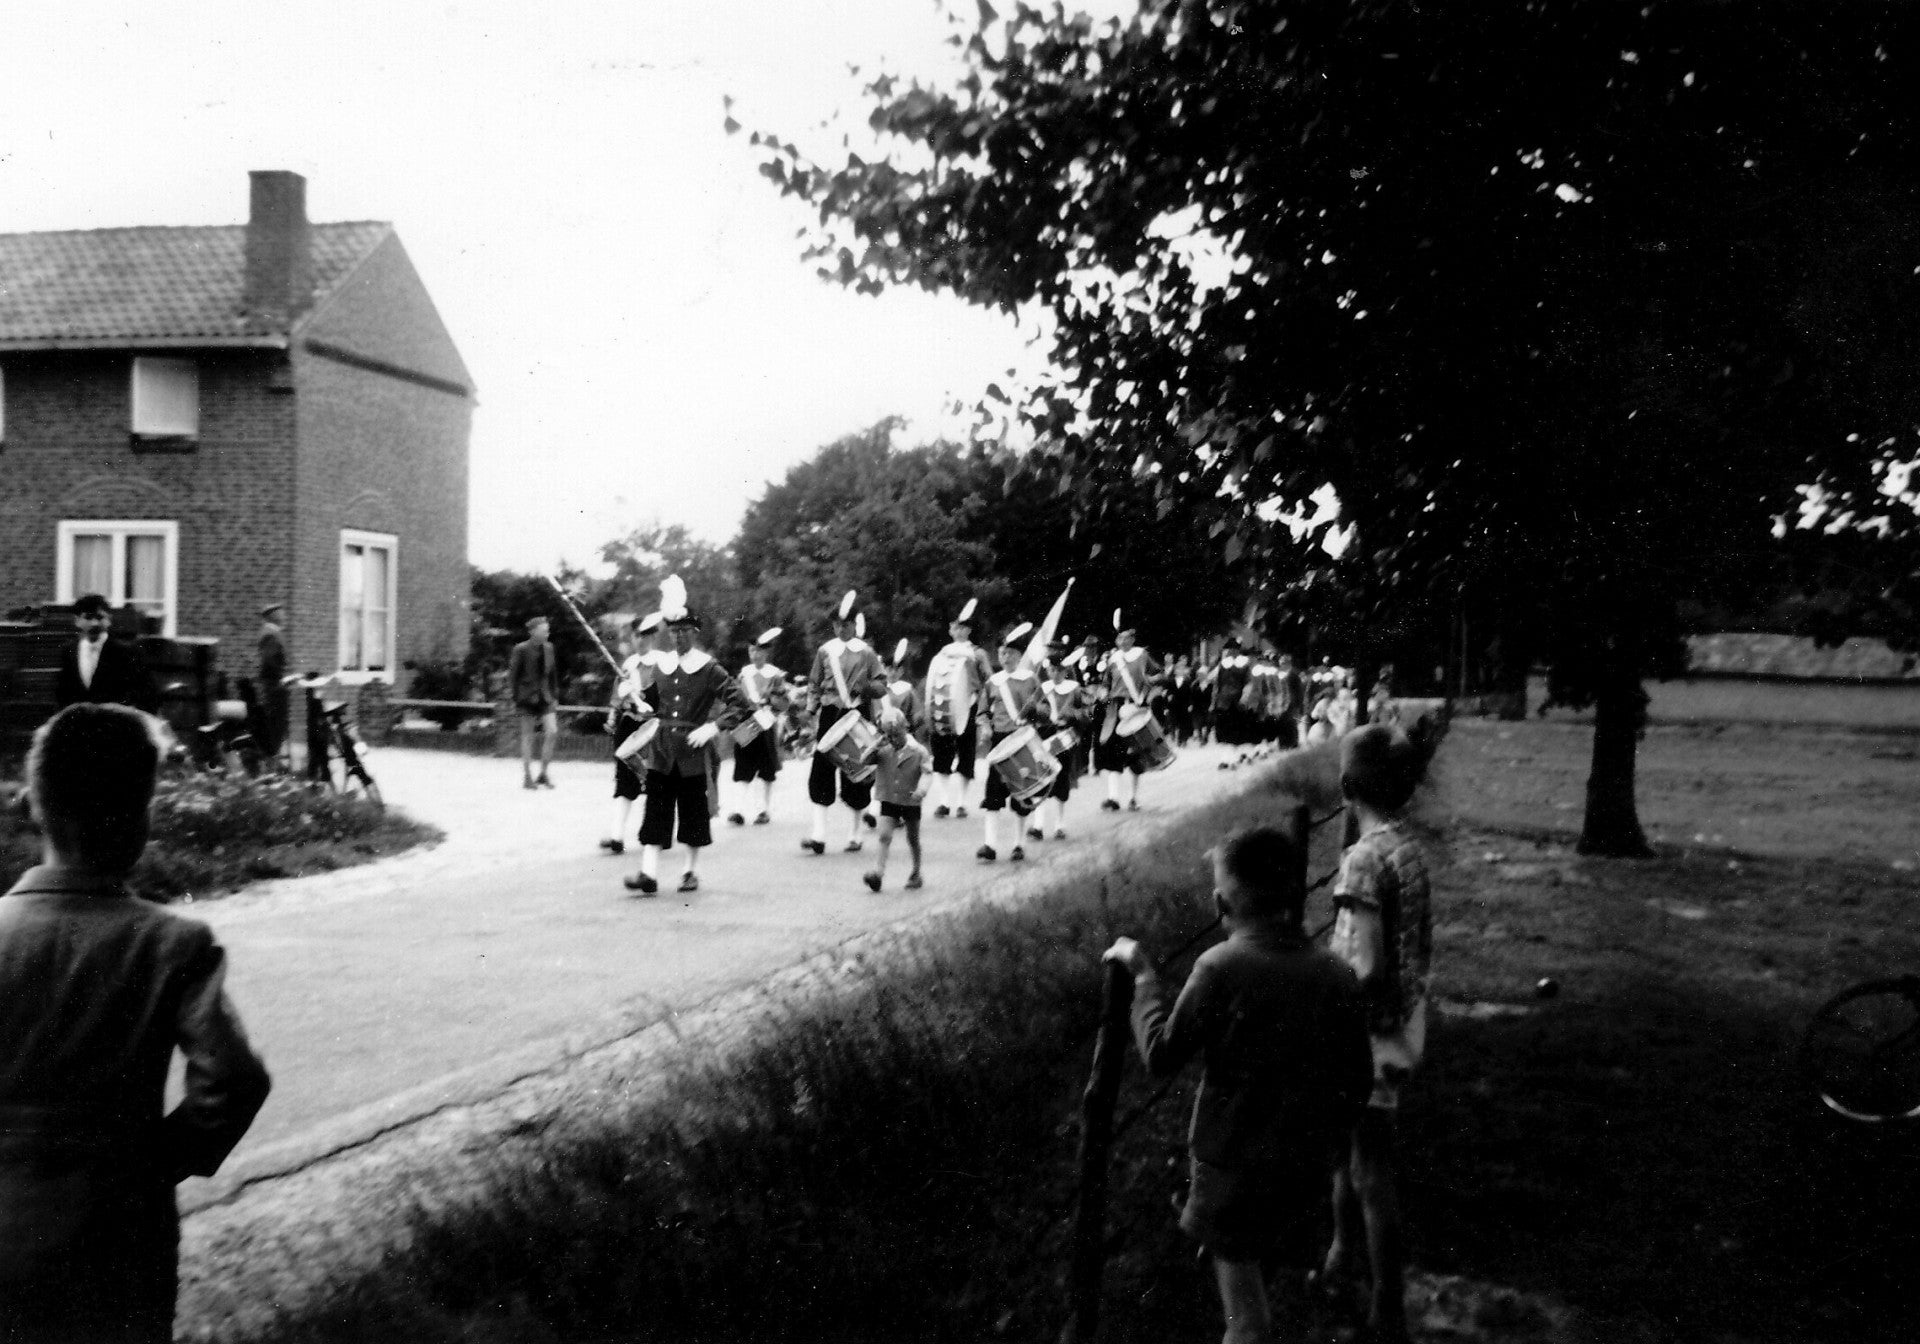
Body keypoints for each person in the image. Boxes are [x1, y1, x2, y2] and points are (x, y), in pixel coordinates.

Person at [0, 704, 271, 1344]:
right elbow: (233, 1078)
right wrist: (154, 1162)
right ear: (143, 816)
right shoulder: (170, 942)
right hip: (117, 1229)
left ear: (37, 807)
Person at [1104, 825, 1372, 1344]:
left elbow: (1160, 1055)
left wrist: (1144, 980)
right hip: (1302, 1167)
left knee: (1246, 1322)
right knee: (1260, 1271)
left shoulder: (1220, 965)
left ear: (1219, 901)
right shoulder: (1336, 973)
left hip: (1231, 1169)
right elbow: (1357, 1080)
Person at [1320, 724, 1432, 1344]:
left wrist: (1320, 1000)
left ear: (1344, 788)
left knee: (1369, 1171)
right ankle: (1341, 1256)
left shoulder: (1362, 859)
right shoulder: (1408, 850)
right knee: (1349, 1155)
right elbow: (1419, 942)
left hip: (1367, 1034)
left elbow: (1365, 967)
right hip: (1399, 1024)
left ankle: (1388, 1304)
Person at [621, 601, 748, 896]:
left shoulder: (709, 668)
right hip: (662, 750)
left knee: (693, 813)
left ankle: (690, 871)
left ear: (695, 632)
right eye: (675, 631)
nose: (679, 637)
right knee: (655, 810)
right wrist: (634, 698)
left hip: (693, 750)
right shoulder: (661, 666)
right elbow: (651, 704)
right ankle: (648, 874)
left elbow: (741, 703)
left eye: (685, 631)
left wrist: (713, 727)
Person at [803, 592, 887, 855]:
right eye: (837, 624)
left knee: (857, 773)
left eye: (846, 624)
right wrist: (809, 710)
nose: (841, 629)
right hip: (830, 714)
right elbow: (814, 685)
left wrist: (868, 687)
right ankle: (819, 835)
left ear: (854, 624)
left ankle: (855, 834)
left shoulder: (866, 652)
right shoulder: (825, 651)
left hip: (857, 714)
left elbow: (882, 685)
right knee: (821, 772)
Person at [977, 623, 1042, 862]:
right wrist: (984, 727)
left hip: (1022, 739)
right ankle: (989, 845)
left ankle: (1018, 844)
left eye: (1010, 653)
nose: (1005, 657)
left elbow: (1043, 709)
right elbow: (982, 712)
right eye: (1002, 653)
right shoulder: (993, 682)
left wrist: (1035, 711)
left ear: (1018, 655)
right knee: (993, 795)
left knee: (1022, 793)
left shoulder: (1030, 679)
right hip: (999, 741)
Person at [924, 599, 993, 820]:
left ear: (969, 629)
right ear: (951, 629)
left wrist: (982, 705)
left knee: (966, 754)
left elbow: (989, 681)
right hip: (941, 710)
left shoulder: (977, 653)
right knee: (941, 755)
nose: (958, 630)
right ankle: (944, 801)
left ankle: (962, 802)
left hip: (969, 708)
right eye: (955, 626)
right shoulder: (942, 653)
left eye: (963, 627)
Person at [601, 613, 662, 855]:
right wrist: (612, 717)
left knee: (654, 781)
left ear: (653, 637)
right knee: (624, 780)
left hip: (653, 728)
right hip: (629, 728)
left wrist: (646, 700)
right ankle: (617, 835)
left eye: (645, 636)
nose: (640, 641)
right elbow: (617, 698)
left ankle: (655, 834)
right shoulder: (627, 665)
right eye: (637, 636)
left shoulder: (662, 663)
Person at [1096, 614, 1162, 812]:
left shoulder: (1142, 655)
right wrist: (1102, 693)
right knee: (1112, 753)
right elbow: (1105, 683)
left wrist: (1152, 681)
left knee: (1136, 755)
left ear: (1133, 638)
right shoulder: (1113, 659)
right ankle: (1113, 798)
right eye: (1119, 639)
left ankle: (1134, 798)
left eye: (1127, 638)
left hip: (1136, 707)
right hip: (1115, 709)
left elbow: (1159, 674)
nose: (1123, 642)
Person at [862, 708, 931, 892]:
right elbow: (864, 760)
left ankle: (916, 872)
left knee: (913, 838)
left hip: (910, 800)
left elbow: (926, 773)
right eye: (889, 735)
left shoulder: (918, 751)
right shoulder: (883, 749)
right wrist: (876, 745)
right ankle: (878, 873)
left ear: (904, 729)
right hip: (889, 798)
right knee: (884, 835)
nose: (893, 739)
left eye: (896, 735)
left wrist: (921, 791)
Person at [728, 626, 791, 827]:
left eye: (759, 651)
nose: (755, 655)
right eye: (752, 651)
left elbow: (782, 701)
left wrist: (770, 702)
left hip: (766, 722)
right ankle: (738, 810)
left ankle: (763, 809)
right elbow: (736, 697)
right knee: (742, 766)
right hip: (747, 722)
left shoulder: (774, 674)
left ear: (766, 652)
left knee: (766, 768)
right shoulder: (744, 674)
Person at [54, 593, 157, 713]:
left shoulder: (126, 652)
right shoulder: (69, 651)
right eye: (88, 618)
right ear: (77, 621)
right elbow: (62, 693)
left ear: (109, 620)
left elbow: (144, 693)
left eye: (99, 617)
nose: (94, 624)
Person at [1031, 639, 1091, 843]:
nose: (1054, 674)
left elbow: (1086, 713)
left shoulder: (1074, 689)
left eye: (1058, 670)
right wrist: (1042, 713)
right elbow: (1033, 710)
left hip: (1065, 737)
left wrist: (1072, 715)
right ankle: (1038, 825)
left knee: (1061, 779)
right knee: (1041, 777)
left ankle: (1059, 824)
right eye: (1051, 670)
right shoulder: (1042, 688)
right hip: (1045, 735)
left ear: (1065, 671)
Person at [508, 615, 561, 789]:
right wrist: (517, 698)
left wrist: (554, 696)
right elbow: (513, 676)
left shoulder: (549, 648)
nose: (548, 633)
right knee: (527, 737)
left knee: (552, 732)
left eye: (548, 630)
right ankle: (527, 777)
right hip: (526, 698)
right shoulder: (521, 649)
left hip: (545, 697)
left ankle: (543, 774)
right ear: (533, 632)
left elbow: (552, 675)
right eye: (544, 630)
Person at [255, 602, 290, 759]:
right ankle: (272, 757)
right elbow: (270, 661)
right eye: (280, 613)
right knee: (276, 724)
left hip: (274, 684)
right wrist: (281, 678)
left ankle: (273, 755)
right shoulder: (270, 634)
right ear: (273, 615)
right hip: (274, 686)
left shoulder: (272, 633)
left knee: (276, 724)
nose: (284, 616)